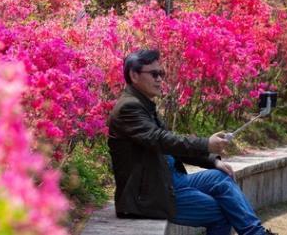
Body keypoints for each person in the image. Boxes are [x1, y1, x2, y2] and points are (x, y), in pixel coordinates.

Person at [107, 49, 277, 235]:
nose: (159, 79)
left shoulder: (144, 105)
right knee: (222, 212)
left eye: (161, 74)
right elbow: (161, 139)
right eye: (154, 74)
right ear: (134, 75)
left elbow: (171, 147)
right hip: (149, 196)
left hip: (170, 181)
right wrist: (206, 143)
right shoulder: (128, 108)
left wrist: (213, 160)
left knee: (220, 177)